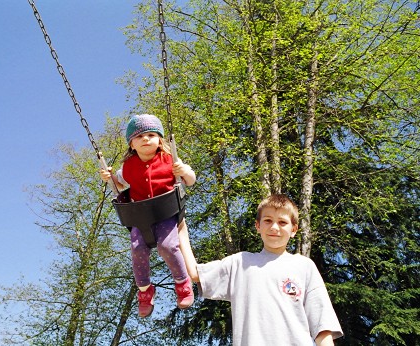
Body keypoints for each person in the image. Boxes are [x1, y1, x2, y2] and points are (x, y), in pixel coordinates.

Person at [179, 194, 344, 345]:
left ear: (293, 230)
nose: (274, 227)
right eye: (267, 220)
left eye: (282, 222)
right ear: (257, 226)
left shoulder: (304, 266)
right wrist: (180, 227)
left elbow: (322, 326)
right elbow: (195, 273)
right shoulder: (240, 263)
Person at [100, 113, 197, 318]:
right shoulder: (128, 167)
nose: (146, 139)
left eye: (151, 134)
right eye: (140, 136)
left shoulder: (170, 160)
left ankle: (182, 282)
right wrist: (109, 178)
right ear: (132, 144)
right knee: (137, 249)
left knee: (168, 246)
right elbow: (118, 184)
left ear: (160, 140)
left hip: (166, 213)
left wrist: (184, 171)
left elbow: (190, 180)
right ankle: (144, 291)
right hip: (140, 216)